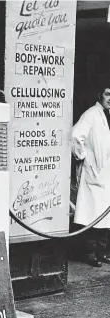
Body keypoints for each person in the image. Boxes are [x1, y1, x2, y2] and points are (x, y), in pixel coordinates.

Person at [72, 83, 110, 267]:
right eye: (107, 94)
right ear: (99, 95)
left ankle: (101, 252)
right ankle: (90, 254)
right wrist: (84, 157)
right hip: (94, 172)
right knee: (90, 214)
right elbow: (75, 135)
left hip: (106, 174)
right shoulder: (90, 115)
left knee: (105, 215)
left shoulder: (106, 116)